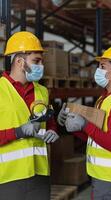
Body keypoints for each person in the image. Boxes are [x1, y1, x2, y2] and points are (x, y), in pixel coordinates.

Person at [57, 46, 111, 200]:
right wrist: (73, 126)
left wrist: (85, 124)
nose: (98, 70)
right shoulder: (104, 99)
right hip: (100, 176)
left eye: (103, 66)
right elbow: (95, 139)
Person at [0, 31, 59, 200]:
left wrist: (53, 131)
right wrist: (18, 132)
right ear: (19, 62)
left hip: (40, 175)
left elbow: (50, 122)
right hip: (7, 178)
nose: (41, 66)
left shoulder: (42, 91)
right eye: (36, 61)